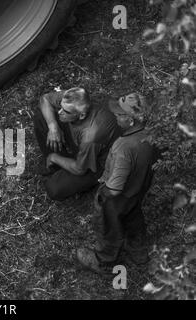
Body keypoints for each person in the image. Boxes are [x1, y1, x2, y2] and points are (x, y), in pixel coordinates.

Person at [77, 93, 156, 273]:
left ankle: (104, 260)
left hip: (117, 197)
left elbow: (114, 189)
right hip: (138, 190)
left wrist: (102, 196)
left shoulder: (123, 147)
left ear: (130, 120)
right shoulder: (151, 133)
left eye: (120, 115)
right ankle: (138, 251)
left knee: (110, 226)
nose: (115, 117)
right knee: (134, 215)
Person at [33, 87, 121, 200]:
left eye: (66, 111)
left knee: (53, 189)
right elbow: (44, 99)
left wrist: (54, 157)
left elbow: (80, 169)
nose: (60, 111)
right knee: (42, 115)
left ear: (82, 115)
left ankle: (60, 165)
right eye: (60, 106)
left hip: (97, 161)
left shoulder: (91, 137)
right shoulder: (73, 99)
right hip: (80, 141)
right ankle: (56, 167)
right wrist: (53, 126)